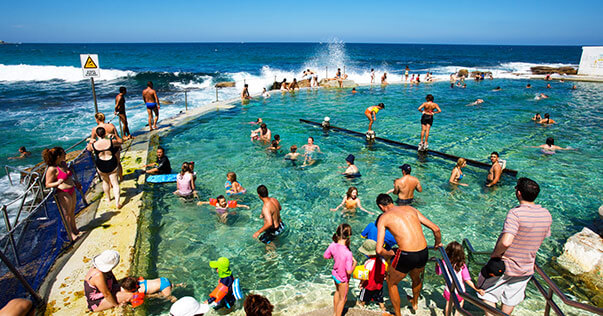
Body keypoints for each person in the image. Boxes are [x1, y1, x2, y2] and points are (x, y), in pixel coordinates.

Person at [478, 178, 552, 315]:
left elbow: (506, 241)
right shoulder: (546, 214)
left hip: (504, 265)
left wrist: (495, 254)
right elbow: (542, 236)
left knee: (487, 293)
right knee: (510, 299)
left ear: (518, 193)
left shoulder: (515, 213)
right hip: (526, 267)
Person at [375, 194, 442, 314]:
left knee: (391, 283)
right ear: (391, 201)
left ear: (381, 206)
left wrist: (389, 253)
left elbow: (379, 250)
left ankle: (397, 314)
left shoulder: (384, 218)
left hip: (406, 254)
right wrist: (437, 244)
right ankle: (415, 303)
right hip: (423, 252)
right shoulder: (411, 209)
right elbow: (436, 229)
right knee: (416, 278)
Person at [435, 242, 485, 316]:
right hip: (460, 290)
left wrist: (437, 265)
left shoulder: (443, 263)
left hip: (448, 290)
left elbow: (438, 273)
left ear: (447, 252)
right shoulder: (462, 265)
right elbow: (467, 280)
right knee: (459, 306)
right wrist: (477, 289)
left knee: (448, 305)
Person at [43, 147, 81, 240]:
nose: (65, 154)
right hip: (63, 192)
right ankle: (70, 234)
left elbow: (68, 176)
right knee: (66, 214)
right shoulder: (52, 169)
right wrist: (58, 182)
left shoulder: (63, 164)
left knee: (72, 211)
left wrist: (75, 182)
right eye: (64, 153)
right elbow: (47, 184)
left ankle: (75, 230)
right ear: (58, 156)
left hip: (71, 188)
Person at [324, 223, 357, 316]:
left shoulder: (332, 245)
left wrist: (335, 256)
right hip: (343, 279)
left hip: (335, 275)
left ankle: (335, 313)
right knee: (343, 299)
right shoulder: (348, 253)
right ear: (349, 236)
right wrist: (355, 263)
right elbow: (349, 271)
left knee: (337, 292)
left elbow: (326, 256)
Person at [87, 127, 122, 209]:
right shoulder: (111, 141)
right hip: (111, 162)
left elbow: (88, 149)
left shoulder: (93, 145)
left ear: (97, 134)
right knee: (115, 183)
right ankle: (117, 202)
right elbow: (120, 142)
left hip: (101, 164)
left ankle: (108, 198)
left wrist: (90, 142)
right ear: (105, 133)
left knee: (105, 182)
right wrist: (113, 137)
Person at [356, 239, 387, 312]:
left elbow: (364, 276)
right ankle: (383, 309)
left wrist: (361, 283)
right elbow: (384, 271)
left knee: (363, 298)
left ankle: (361, 306)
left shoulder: (368, 262)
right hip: (379, 285)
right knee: (380, 298)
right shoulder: (382, 259)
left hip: (368, 286)